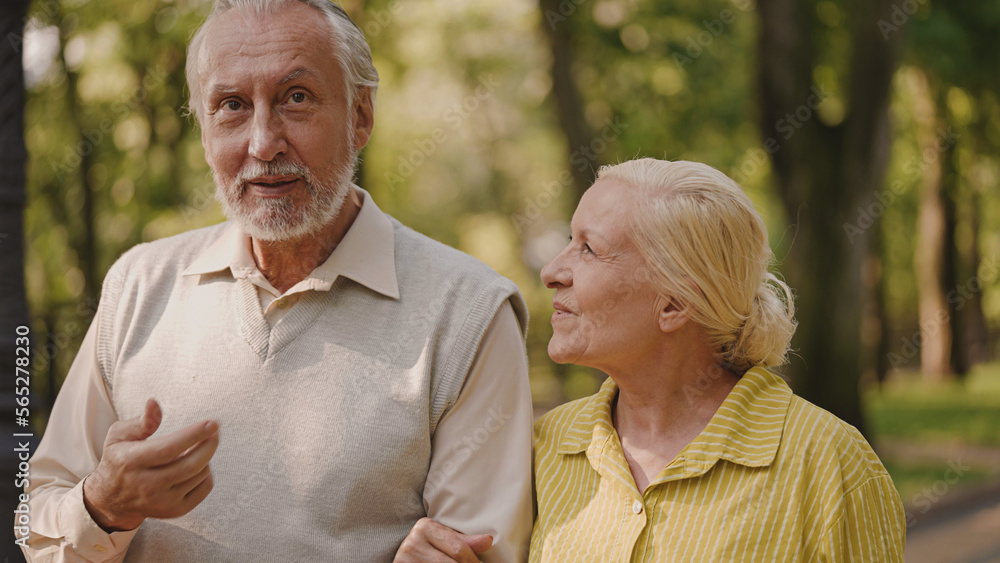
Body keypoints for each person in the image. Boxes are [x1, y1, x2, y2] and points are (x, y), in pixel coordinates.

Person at [21, 1, 533, 561]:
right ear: (203, 129)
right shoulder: (137, 285)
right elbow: (38, 528)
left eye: (296, 98)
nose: (263, 143)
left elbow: (482, 550)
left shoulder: (470, 313)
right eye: (232, 106)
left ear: (360, 116)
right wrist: (101, 508)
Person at [399, 158, 906, 562]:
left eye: (589, 250)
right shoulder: (544, 448)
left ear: (675, 304)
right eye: (567, 242)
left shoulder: (831, 464)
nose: (553, 270)